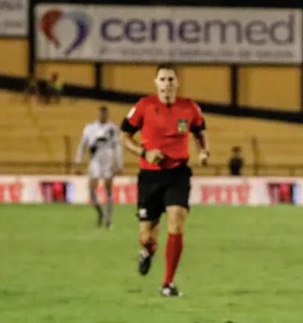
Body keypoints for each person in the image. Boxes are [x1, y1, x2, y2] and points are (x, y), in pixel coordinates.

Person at [120, 63, 209, 297]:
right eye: (163, 79)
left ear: (177, 83)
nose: (167, 84)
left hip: (178, 173)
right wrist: (144, 152)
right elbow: (124, 136)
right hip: (149, 176)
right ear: (156, 82)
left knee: (176, 222)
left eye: (171, 79)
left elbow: (199, 131)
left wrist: (203, 151)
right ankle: (147, 251)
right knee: (147, 235)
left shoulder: (189, 108)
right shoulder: (144, 106)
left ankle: (167, 283)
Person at [74, 106, 123, 228]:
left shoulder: (113, 128)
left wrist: (119, 164)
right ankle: (100, 212)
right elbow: (82, 145)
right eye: (101, 113)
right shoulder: (90, 128)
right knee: (91, 189)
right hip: (95, 159)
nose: (103, 115)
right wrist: (78, 161)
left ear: (107, 114)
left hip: (108, 158)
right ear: (98, 114)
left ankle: (109, 219)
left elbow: (118, 147)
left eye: (105, 113)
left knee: (108, 189)